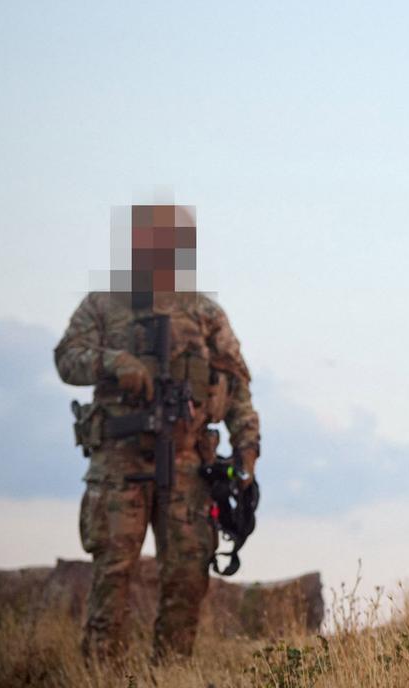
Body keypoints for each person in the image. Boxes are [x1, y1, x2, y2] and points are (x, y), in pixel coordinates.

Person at [55, 204, 260, 661]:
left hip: (188, 463)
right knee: (114, 571)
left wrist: (247, 452)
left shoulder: (204, 312)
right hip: (119, 462)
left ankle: (171, 671)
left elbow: (238, 388)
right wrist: (115, 362)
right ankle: (101, 673)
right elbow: (67, 357)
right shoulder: (104, 304)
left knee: (188, 573)